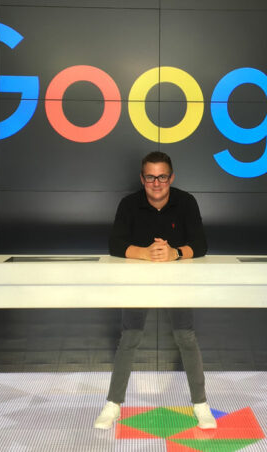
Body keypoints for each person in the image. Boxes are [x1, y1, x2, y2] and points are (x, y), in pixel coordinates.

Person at [93, 151, 217, 430]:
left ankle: (201, 404)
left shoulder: (186, 202)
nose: (156, 183)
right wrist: (145, 253)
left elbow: (201, 244)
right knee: (130, 337)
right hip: (138, 280)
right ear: (142, 178)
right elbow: (115, 244)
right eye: (150, 177)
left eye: (162, 177)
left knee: (185, 337)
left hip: (178, 279)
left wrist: (175, 253)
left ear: (171, 178)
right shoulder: (129, 204)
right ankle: (113, 404)